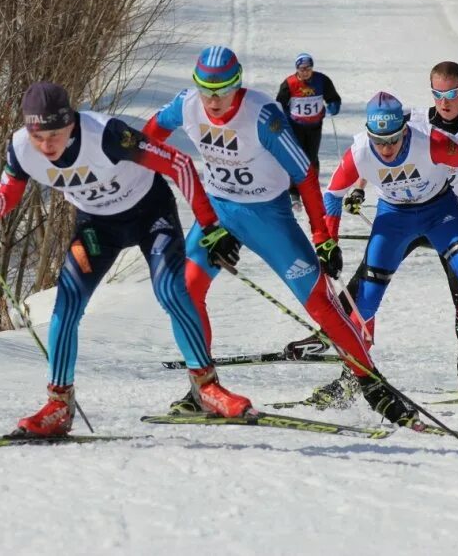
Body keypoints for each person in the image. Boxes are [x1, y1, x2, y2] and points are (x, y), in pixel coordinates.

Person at [0, 81, 252, 437]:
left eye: (55, 135)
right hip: (96, 227)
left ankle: (207, 389)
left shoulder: (107, 135)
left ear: (72, 123)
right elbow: (9, 189)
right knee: (67, 302)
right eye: (38, 137)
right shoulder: (20, 146)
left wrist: (209, 225)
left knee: (171, 291)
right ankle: (59, 404)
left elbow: (179, 165)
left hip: (150, 215)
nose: (47, 146)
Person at [142, 45, 418, 426]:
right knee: (184, 293)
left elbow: (304, 173)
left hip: (268, 216)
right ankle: (202, 388)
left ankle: (372, 386)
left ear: (237, 85)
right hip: (218, 213)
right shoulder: (187, 105)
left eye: (222, 91)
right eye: (206, 91)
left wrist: (322, 236)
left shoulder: (262, 116)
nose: (214, 101)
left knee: (320, 302)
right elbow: (150, 135)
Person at [317, 90, 458, 399]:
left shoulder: (432, 142)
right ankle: (355, 374)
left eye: (393, 140)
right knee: (366, 298)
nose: (385, 149)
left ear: (405, 130)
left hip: (440, 212)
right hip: (393, 218)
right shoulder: (359, 152)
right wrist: (328, 242)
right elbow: (332, 193)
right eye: (379, 141)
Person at [275, 53, 343, 210]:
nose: (305, 72)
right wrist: (283, 118)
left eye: (308, 68)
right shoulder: (289, 83)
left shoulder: (321, 80)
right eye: (302, 69)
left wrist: (334, 105)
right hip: (295, 126)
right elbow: (279, 104)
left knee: (311, 158)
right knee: (296, 157)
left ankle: (310, 190)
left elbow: (333, 97)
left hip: (314, 127)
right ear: (297, 69)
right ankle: (293, 192)